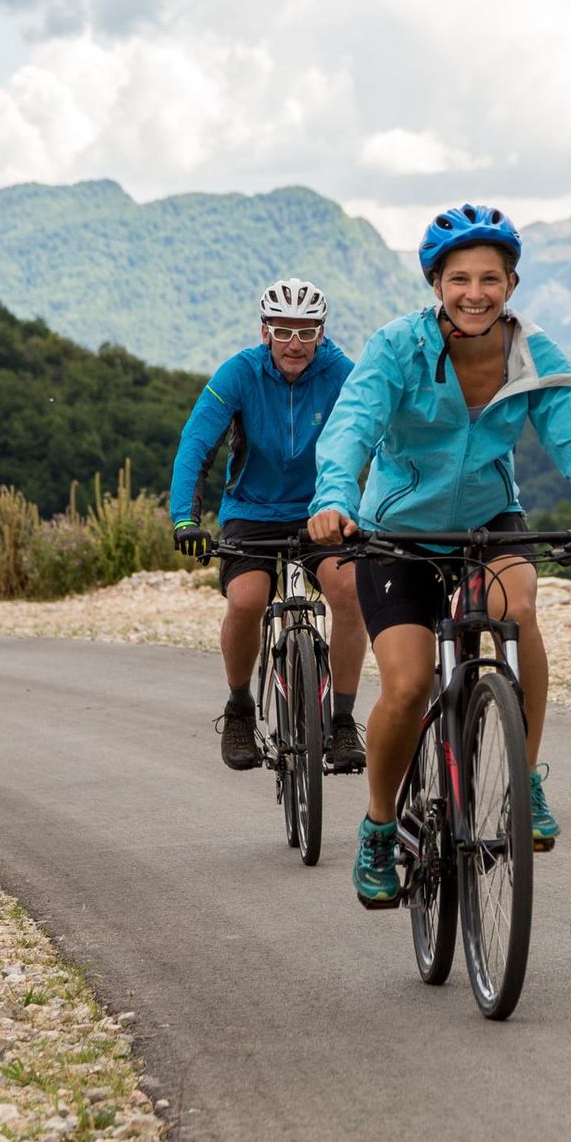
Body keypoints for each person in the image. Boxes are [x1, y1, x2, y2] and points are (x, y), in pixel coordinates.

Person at [307, 204, 571, 908]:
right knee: (406, 686)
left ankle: (525, 778)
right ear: (436, 283)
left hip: (489, 522)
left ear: (512, 283)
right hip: (394, 535)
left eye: (491, 278)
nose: (475, 293)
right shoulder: (397, 348)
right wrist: (333, 497)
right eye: (459, 278)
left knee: (519, 607)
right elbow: (351, 426)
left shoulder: (533, 352)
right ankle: (378, 826)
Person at [171, 278, 370, 774]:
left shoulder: (342, 373)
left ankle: (342, 719)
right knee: (246, 601)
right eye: (284, 332)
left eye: (306, 332)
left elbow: (381, 438)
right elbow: (196, 443)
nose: (295, 344)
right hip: (252, 511)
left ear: (322, 333)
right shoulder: (239, 373)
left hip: (323, 509)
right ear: (266, 332)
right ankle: (239, 707)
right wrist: (185, 518)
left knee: (348, 595)